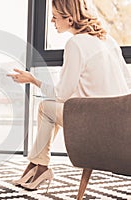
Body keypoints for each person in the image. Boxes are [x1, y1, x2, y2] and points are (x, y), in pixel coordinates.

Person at [7, 0, 131, 191]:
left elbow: (62, 94)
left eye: (55, 17)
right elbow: (127, 83)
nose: (51, 21)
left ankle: (39, 166)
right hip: (122, 128)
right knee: (53, 109)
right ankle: (37, 166)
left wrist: (33, 80)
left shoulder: (75, 43)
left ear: (70, 19)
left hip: (94, 125)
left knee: (45, 108)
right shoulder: (109, 40)